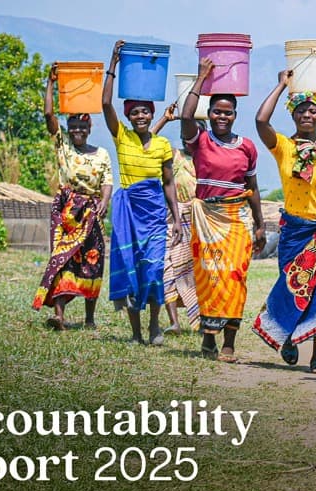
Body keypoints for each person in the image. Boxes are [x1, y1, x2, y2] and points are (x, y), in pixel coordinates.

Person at [252, 69, 316, 374]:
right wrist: (281, 84)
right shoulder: (284, 147)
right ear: (292, 115)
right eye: (301, 110)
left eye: (313, 110)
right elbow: (261, 121)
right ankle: (289, 335)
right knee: (292, 286)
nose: (307, 114)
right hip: (293, 230)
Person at [180, 58, 266, 363]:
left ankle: (229, 342)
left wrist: (260, 224)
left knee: (235, 276)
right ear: (209, 113)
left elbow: (252, 186)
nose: (222, 117)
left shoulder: (247, 147)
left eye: (227, 112)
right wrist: (202, 78)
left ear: (235, 115)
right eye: (217, 111)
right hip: (206, 219)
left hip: (236, 219)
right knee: (210, 276)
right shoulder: (200, 141)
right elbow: (185, 115)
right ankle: (208, 338)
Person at [103, 40, 181, 345]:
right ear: (128, 116)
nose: (140, 116)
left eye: (145, 112)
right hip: (128, 215)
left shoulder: (162, 145)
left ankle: (154, 326)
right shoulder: (122, 138)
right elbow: (106, 104)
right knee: (132, 270)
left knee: (154, 269)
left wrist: (176, 218)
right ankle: (136, 333)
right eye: (134, 112)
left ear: (151, 114)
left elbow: (169, 183)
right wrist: (113, 63)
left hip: (155, 215)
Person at [33, 63, 113, 330]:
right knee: (61, 259)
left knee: (93, 260)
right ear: (68, 129)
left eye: (82, 126)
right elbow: (48, 114)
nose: (77, 130)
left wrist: (104, 202)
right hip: (66, 211)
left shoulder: (101, 154)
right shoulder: (63, 145)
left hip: (91, 213)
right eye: (73, 126)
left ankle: (89, 318)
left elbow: (107, 182)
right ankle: (59, 315)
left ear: (89, 129)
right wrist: (51, 83)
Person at [151, 104, 202, 334]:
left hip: (201, 221)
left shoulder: (208, 158)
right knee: (168, 267)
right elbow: (147, 141)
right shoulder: (174, 155)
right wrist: (165, 119)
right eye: (185, 132)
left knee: (200, 272)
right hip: (174, 219)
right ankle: (174, 323)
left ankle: (203, 321)